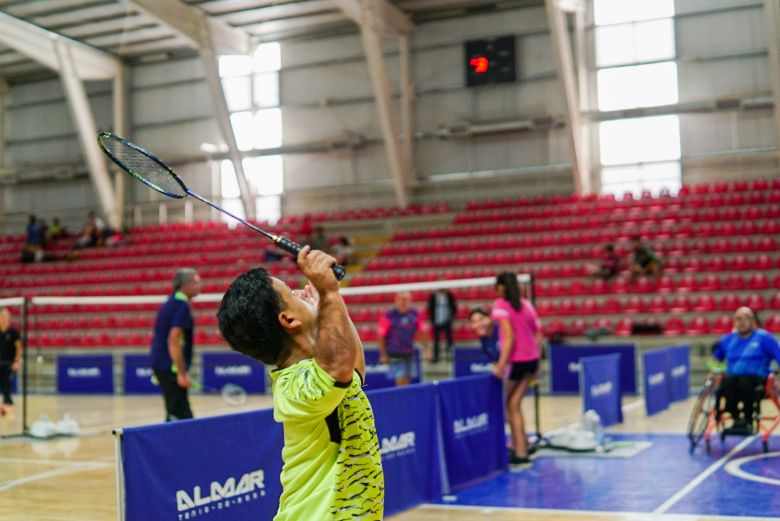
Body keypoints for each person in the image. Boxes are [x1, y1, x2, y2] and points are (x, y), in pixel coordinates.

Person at [217, 247, 384, 520]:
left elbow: (354, 368)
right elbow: (340, 367)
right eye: (290, 293)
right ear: (288, 320)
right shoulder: (293, 387)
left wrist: (328, 305)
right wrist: (329, 295)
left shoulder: (319, 373)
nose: (298, 292)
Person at [491, 272, 543, 466]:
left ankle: (520, 451)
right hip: (531, 361)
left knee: (509, 405)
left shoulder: (500, 306)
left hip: (517, 361)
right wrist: (537, 365)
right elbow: (539, 335)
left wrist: (500, 365)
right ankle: (520, 444)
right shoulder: (527, 305)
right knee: (514, 404)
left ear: (502, 287)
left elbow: (509, 338)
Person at [712, 306, 780, 434]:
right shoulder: (727, 339)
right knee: (726, 384)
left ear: (753, 321)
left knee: (744, 382)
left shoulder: (765, 338)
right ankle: (737, 419)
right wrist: (714, 372)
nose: (741, 322)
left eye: (746, 318)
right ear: (734, 322)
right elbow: (715, 360)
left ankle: (749, 420)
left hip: (758, 380)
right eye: (738, 319)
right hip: (732, 379)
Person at [150, 268, 201, 422]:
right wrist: (181, 373)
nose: (199, 286)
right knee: (182, 417)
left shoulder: (171, 302)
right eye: (196, 282)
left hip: (163, 366)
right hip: (170, 368)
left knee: (174, 413)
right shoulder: (180, 305)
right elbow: (174, 339)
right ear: (185, 285)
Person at [377, 292, 431, 386]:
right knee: (400, 381)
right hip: (394, 353)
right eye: (401, 299)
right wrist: (383, 354)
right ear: (396, 301)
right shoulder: (389, 315)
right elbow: (381, 336)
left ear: (410, 301)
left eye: (406, 300)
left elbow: (421, 332)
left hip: (409, 352)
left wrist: (427, 349)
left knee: (407, 381)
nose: (403, 302)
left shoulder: (414, 314)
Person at [0, 308, 22, 417]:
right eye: (2, 316)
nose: (4, 319)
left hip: (9, 363)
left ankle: (7, 405)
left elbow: (19, 348)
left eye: (6, 316)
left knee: (6, 384)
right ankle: (7, 405)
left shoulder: (13, 332)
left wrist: (17, 361)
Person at [428, 288, 457, 362]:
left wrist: (451, 317)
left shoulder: (449, 295)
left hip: (447, 320)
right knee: (436, 340)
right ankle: (436, 357)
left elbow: (454, 306)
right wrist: (432, 319)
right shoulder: (433, 295)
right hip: (437, 321)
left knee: (449, 340)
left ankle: (449, 356)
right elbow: (430, 308)